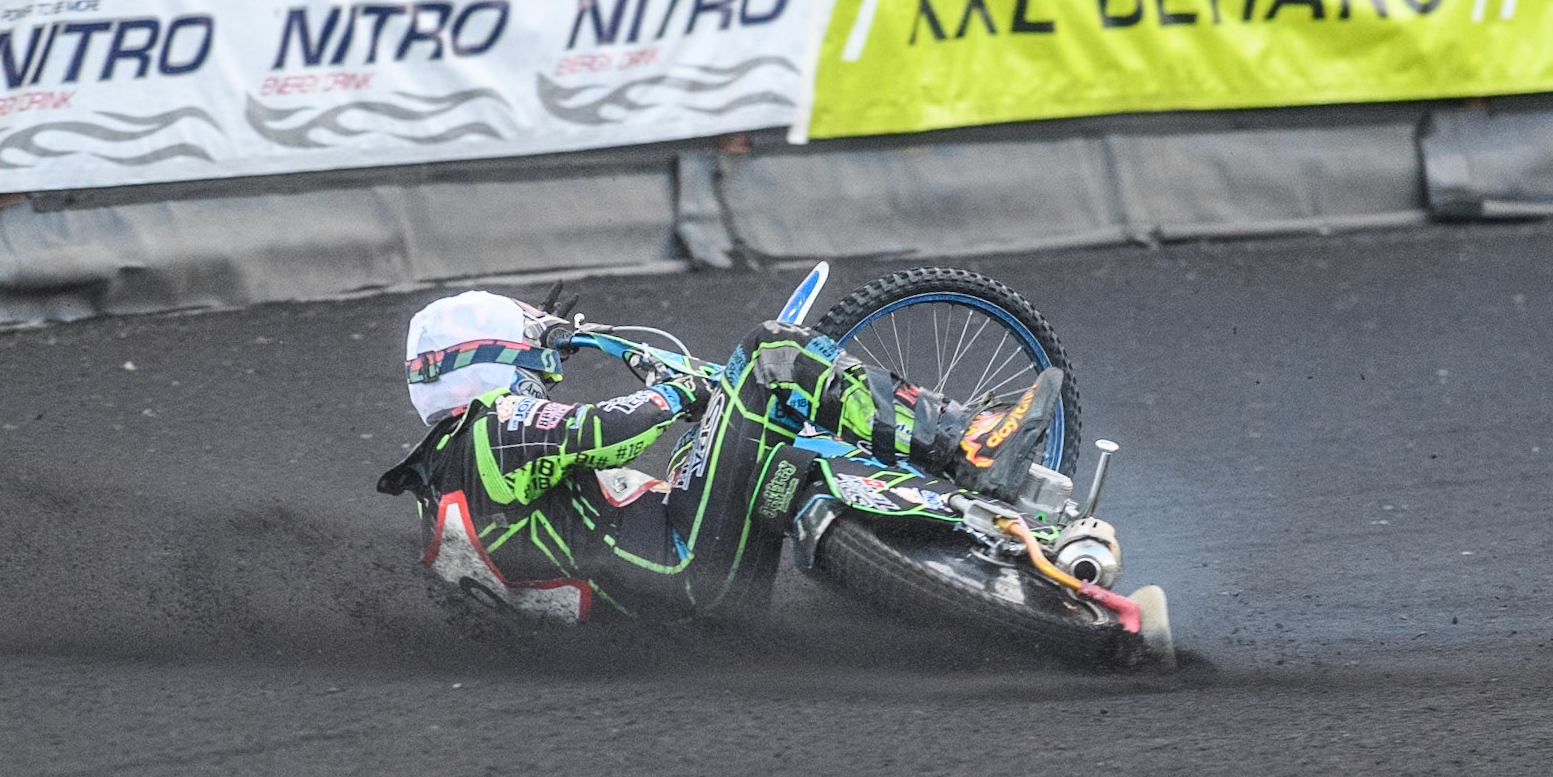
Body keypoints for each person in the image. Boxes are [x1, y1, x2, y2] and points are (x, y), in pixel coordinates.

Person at [377, 290, 1060, 622]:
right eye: (534, 354)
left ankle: (924, 563)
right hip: (689, 568)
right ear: (487, 361)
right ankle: (969, 443)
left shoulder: (436, 493)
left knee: (736, 460)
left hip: (671, 626)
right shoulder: (494, 423)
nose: (545, 373)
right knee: (769, 353)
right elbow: (604, 433)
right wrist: (680, 388)